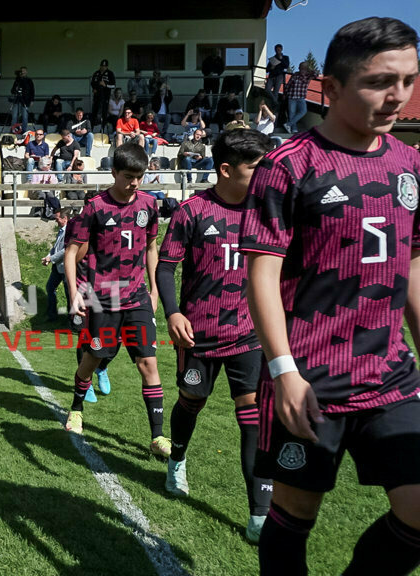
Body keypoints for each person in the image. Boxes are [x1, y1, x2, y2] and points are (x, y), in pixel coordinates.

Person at [240, 18, 420, 576]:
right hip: (310, 377)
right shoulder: (288, 165)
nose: (397, 97)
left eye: (409, 79)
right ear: (333, 89)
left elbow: (414, 265)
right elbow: (261, 273)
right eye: (379, 82)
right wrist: (284, 370)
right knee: (296, 510)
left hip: (392, 373)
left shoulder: (411, 166)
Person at [156, 129, 274, 543]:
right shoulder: (191, 211)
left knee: (254, 417)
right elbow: (166, 268)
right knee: (191, 402)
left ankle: (260, 513)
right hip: (197, 337)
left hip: (249, 335)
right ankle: (177, 460)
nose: (265, 176)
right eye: (256, 168)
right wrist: (172, 312)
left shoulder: (267, 212)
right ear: (226, 169)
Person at [62, 142, 170, 459]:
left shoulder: (149, 205)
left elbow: (152, 248)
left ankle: (158, 436)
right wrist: (74, 294)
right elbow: (71, 254)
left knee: (148, 363)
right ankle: (77, 408)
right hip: (103, 298)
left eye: (139, 176)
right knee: (94, 357)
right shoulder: (94, 207)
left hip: (136, 296)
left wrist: (154, 290)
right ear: (113, 172)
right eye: (127, 176)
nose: (134, 183)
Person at [43, 207, 71, 322]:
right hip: (57, 267)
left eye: (57, 218)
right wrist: (48, 256)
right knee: (50, 287)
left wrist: (51, 258)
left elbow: (66, 250)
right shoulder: (61, 231)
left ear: (65, 219)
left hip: (66, 267)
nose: (56, 221)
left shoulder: (70, 231)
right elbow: (56, 247)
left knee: (69, 293)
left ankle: (72, 318)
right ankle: (52, 315)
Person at [284, 61, 318, 133]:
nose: (301, 69)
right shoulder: (295, 75)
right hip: (292, 96)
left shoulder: (308, 75)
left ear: (306, 68)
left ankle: (288, 124)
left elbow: (316, 74)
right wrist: (285, 94)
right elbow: (288, 84)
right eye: (300, 67)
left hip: (301, 97)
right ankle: (293, 129)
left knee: (303, 111)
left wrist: (310, 70)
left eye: (303, 67)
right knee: (292, 113)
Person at [90, 59, 116, 132]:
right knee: (94, 112)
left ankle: (103, 129)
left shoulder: (110, 73)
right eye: (102, 66)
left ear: (107, 66)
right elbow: (92, 82)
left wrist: (105, 85)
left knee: (104, 113)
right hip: (97, 96)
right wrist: (94, 88)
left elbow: (113, 85)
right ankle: (91, 128)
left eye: (104, 66)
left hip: (105, 96)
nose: (103, 67)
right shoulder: (96, 73)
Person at [10, 67, 35, 133]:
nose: (23, 72)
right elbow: (12, 91)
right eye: (22, 71)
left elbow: (32, 91)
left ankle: (24, 130)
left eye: (24, 71)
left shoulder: (29, 80)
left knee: (25, 116)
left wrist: (32, 100)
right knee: (14, 116)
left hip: (25, 101)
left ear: (26, 72)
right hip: (17, 100)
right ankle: (13, 130)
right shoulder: (17, 80)